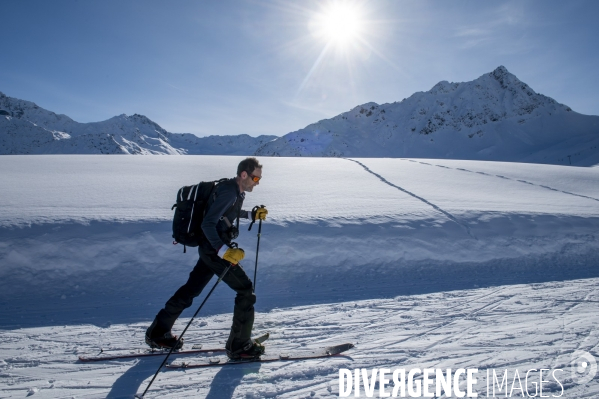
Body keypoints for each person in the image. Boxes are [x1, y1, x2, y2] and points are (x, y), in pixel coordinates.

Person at [145, 157, 268, 359]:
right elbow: (208, 224)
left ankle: (158, 333)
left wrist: (251, 216)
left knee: (191, 290)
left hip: (209, 249)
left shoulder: (232, 189)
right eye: (255, 178)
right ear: (244, 174)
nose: (257, 182)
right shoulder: (230, 191)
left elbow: (226, 214)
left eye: (259, 179)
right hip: (215, 251)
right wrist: (223, 252)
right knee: (245, 290)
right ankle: (239, 346)